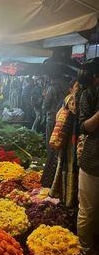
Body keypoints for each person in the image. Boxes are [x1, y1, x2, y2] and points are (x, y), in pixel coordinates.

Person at [76, 58, 99, 255]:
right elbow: (84, 127)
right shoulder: (88, 95)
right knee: (88, 211)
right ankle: (85, 251)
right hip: (93, 160)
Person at [51, 80, 81, 208]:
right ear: (71, 88)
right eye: (77, 86)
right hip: (70, 139)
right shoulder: (71, 100)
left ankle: (67, 198)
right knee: (69, 166)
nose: (79, 89)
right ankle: (68, 200)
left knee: (68, 167)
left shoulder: (71, 99)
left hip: (71, 139)